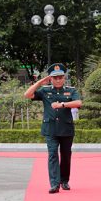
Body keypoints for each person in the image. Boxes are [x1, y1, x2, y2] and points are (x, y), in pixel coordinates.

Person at [24, 63, 82, 194]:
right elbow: (27, 94)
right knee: (52, 155)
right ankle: (55, 184)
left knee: (66, 155)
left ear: (64, 78)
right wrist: (39, 82)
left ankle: (64, 180)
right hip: (50, 128)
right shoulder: (45, 90)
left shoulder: (71, 90)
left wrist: (62, 104)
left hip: (66, 128)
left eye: (60, 77)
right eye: (55, 78)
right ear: (51, 79)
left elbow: (78, 103)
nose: (58, 80)